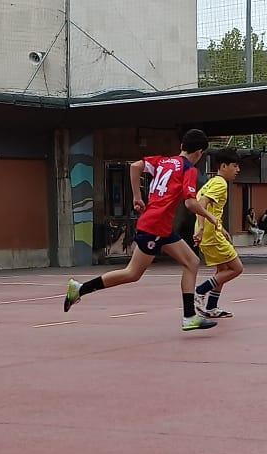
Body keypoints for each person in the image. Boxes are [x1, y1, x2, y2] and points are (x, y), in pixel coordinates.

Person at [63, 128, 222, 332]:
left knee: (191, 261)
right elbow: (191, 204)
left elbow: (135, 166)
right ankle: (79, 289)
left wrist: (137, 196)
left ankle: (189, 315)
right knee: (132, 273)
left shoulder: (163, 161)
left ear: (182, 146)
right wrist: (211, 217)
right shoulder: (188, 170)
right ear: (199, 152)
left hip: (161, 227)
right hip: (155, 226)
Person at [192, 150, 248, 318]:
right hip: (210, 235)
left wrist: (221, 228)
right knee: (237, 268)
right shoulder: (220, 184)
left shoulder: (211, 182)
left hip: (211, 233)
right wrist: (202, 229)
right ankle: (199, 291)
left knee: (222, 270)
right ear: (223, 166)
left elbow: (205, 207)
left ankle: (211, 308)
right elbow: (201, 204)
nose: (237, 170)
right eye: (235, 166)